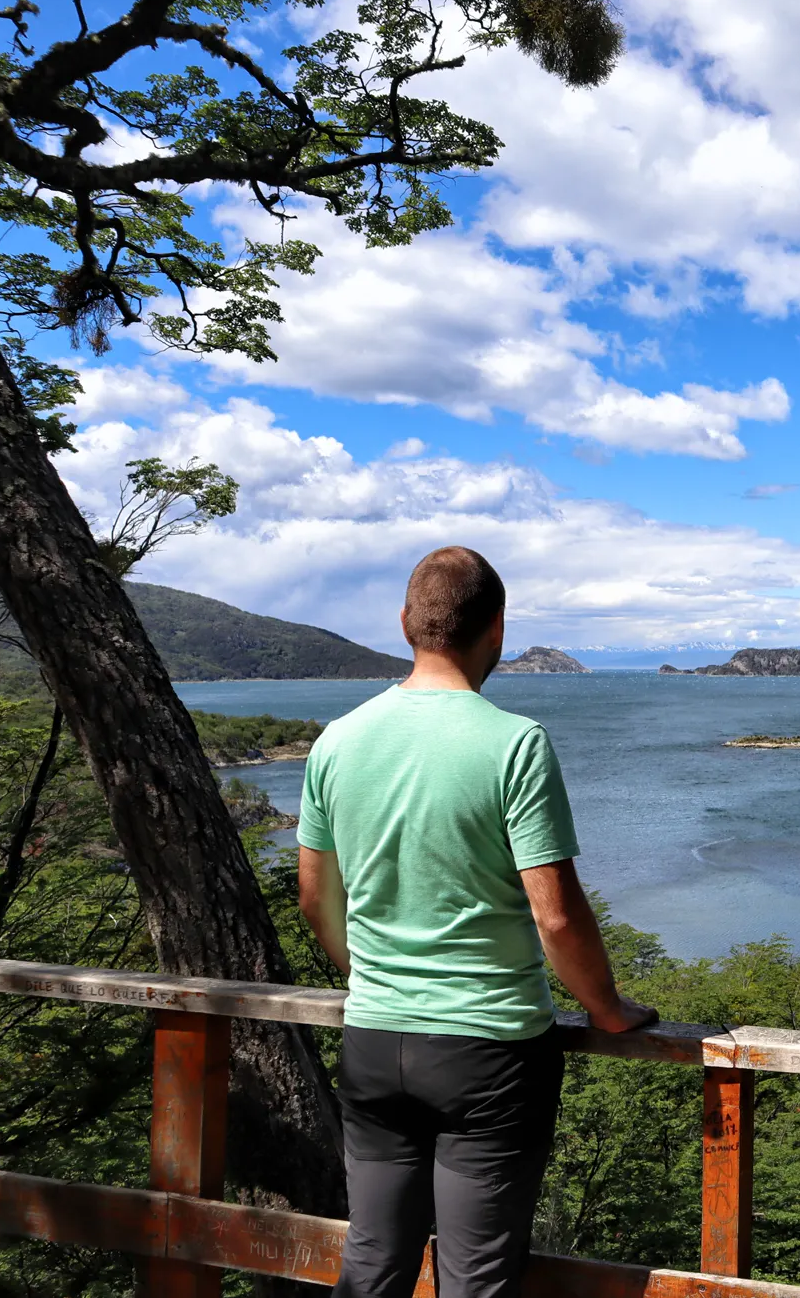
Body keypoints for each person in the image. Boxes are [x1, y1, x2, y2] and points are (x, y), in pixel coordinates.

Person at [297, 546, 657, 1298]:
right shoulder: (514, 743)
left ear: (405, 624)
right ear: (496, 628)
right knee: (476, 1280)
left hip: (374, 1038)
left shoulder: (336, 741)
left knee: (371, 1262)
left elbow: (315, 897)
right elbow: (555, 915)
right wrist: (607, 1009)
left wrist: (367, 975)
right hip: (488, 1052)